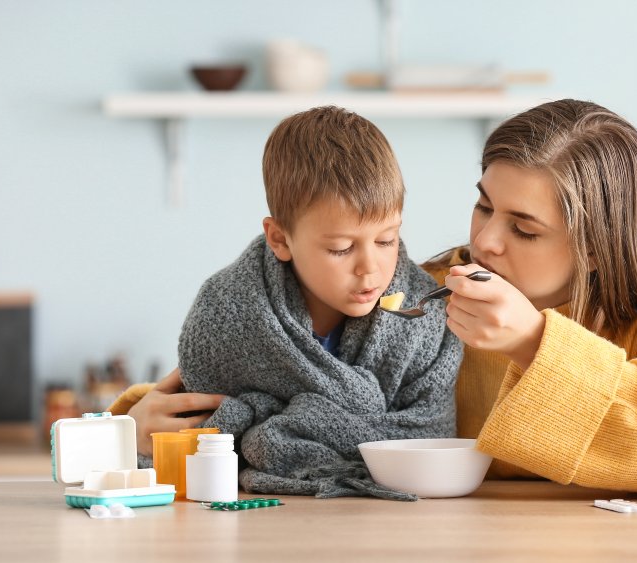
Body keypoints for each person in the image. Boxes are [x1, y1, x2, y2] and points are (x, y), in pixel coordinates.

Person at [117, 99, 637, 497]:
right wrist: (134, 426)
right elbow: (262, 372)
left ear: (596, 245)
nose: (484, 240)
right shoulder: (409, 297)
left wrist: (535, 344)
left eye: (524, 228)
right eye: (484, 205)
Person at [111, 106, 462, 500]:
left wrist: (295, 423)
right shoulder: (226, 316)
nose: (370, 268)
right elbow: (187, 440)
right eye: (341, 248)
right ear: (279, 239)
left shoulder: (424, 313)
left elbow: (431, 437)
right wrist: (133, 439)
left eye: (387, 240)